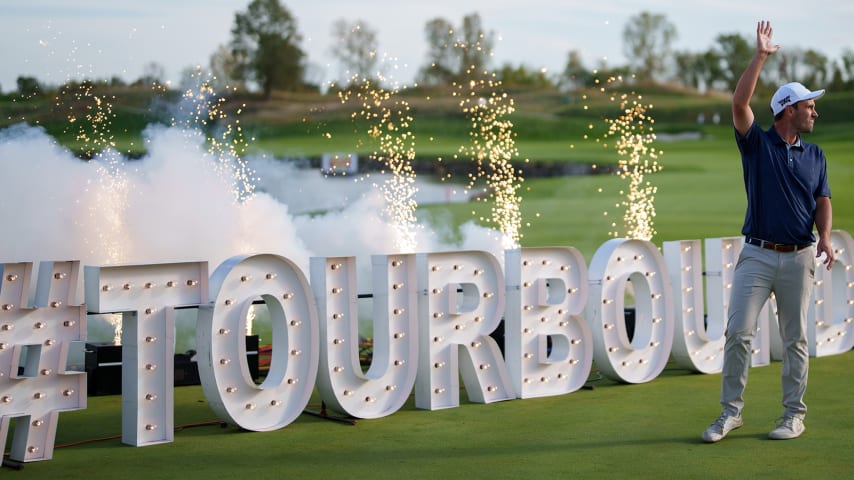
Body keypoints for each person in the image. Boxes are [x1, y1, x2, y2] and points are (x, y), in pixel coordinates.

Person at [701, 20, 835, 443]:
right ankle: (730, 413)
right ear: (787, 110)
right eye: (808, 105)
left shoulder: (815, 154)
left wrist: (826, 237)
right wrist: (759, 56)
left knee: (795, 340)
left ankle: (793, 416)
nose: (815, 111)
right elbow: (739, 104)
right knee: (739, 334)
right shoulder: (757, 144)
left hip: (799, 257)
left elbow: (822, 201)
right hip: (757, 256)